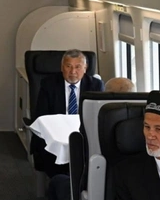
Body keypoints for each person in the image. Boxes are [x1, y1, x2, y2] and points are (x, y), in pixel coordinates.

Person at [42, 75, 135, 200]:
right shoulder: (147, 124)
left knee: (58, 182)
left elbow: (83, 159)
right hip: (132, 196)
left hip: (95, 196)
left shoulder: (93, 121)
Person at [30, 49, 105, 178]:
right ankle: (59, 181)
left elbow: (98, 115)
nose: (73, 72)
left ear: (85, 68)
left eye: (78, 67)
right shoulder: (49, 84)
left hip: (84, 131)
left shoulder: (96, 86)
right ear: (61, 67)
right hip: (56, 131)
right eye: (68, 66)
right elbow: (41, 115)